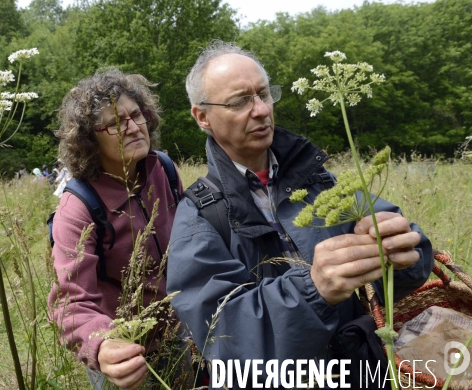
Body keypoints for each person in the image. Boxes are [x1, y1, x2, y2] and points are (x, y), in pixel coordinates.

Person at [166, 41, 433, 388]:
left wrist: (404, 252)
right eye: (240, 102)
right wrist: (313, 290)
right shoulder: (198, 217)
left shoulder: (319, 181)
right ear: (202, 116)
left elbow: (409, 271)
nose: (261, 110)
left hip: (358, 370)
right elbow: (221, 335)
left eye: (264, 94)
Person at [47, 68, 183, 390]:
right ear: (89, 140)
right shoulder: (79, 205)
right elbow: (70, 301)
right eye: (115, 123)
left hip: (180, 338)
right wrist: (104, 345)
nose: (134, 127)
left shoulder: (163, 169)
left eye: (137, 115)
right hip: (121, 359)